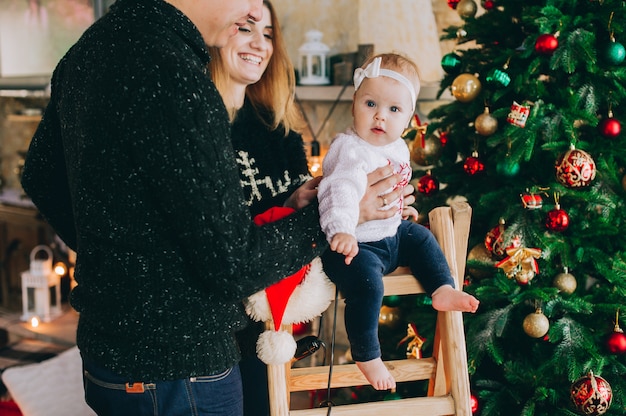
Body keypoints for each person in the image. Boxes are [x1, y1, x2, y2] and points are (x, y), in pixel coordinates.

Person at [19, 0, 334, 415]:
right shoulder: (175, 71)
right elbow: (234, 264)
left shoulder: (91, 46)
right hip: (179, 371)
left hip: (108, 358)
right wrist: (335, 214)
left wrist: (130, 262)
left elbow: (40, 175)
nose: (252, 10)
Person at [207, 3, 416, 414]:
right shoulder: (202, 124)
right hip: (224, 327)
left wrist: (381, 207)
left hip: (282, 315)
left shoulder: (277, 125)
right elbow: (222, 237)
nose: (259, 44)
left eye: (268, 34)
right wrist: (342, 212)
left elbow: (291, 212)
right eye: (245, 28)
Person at [318, 53, 480, 391]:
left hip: (388, 233)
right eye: (371, 103)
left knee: (420, 238)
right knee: (367, 284)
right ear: (354, 104)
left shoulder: (398, 148)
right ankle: (366, 353)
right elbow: (339, 191)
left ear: (408, 117)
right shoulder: (350, 149)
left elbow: (390, 189)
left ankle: (442, 288)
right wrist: (342, 230)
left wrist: (398, 210)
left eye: (394, 110)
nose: (380, 116)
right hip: (355, 244)